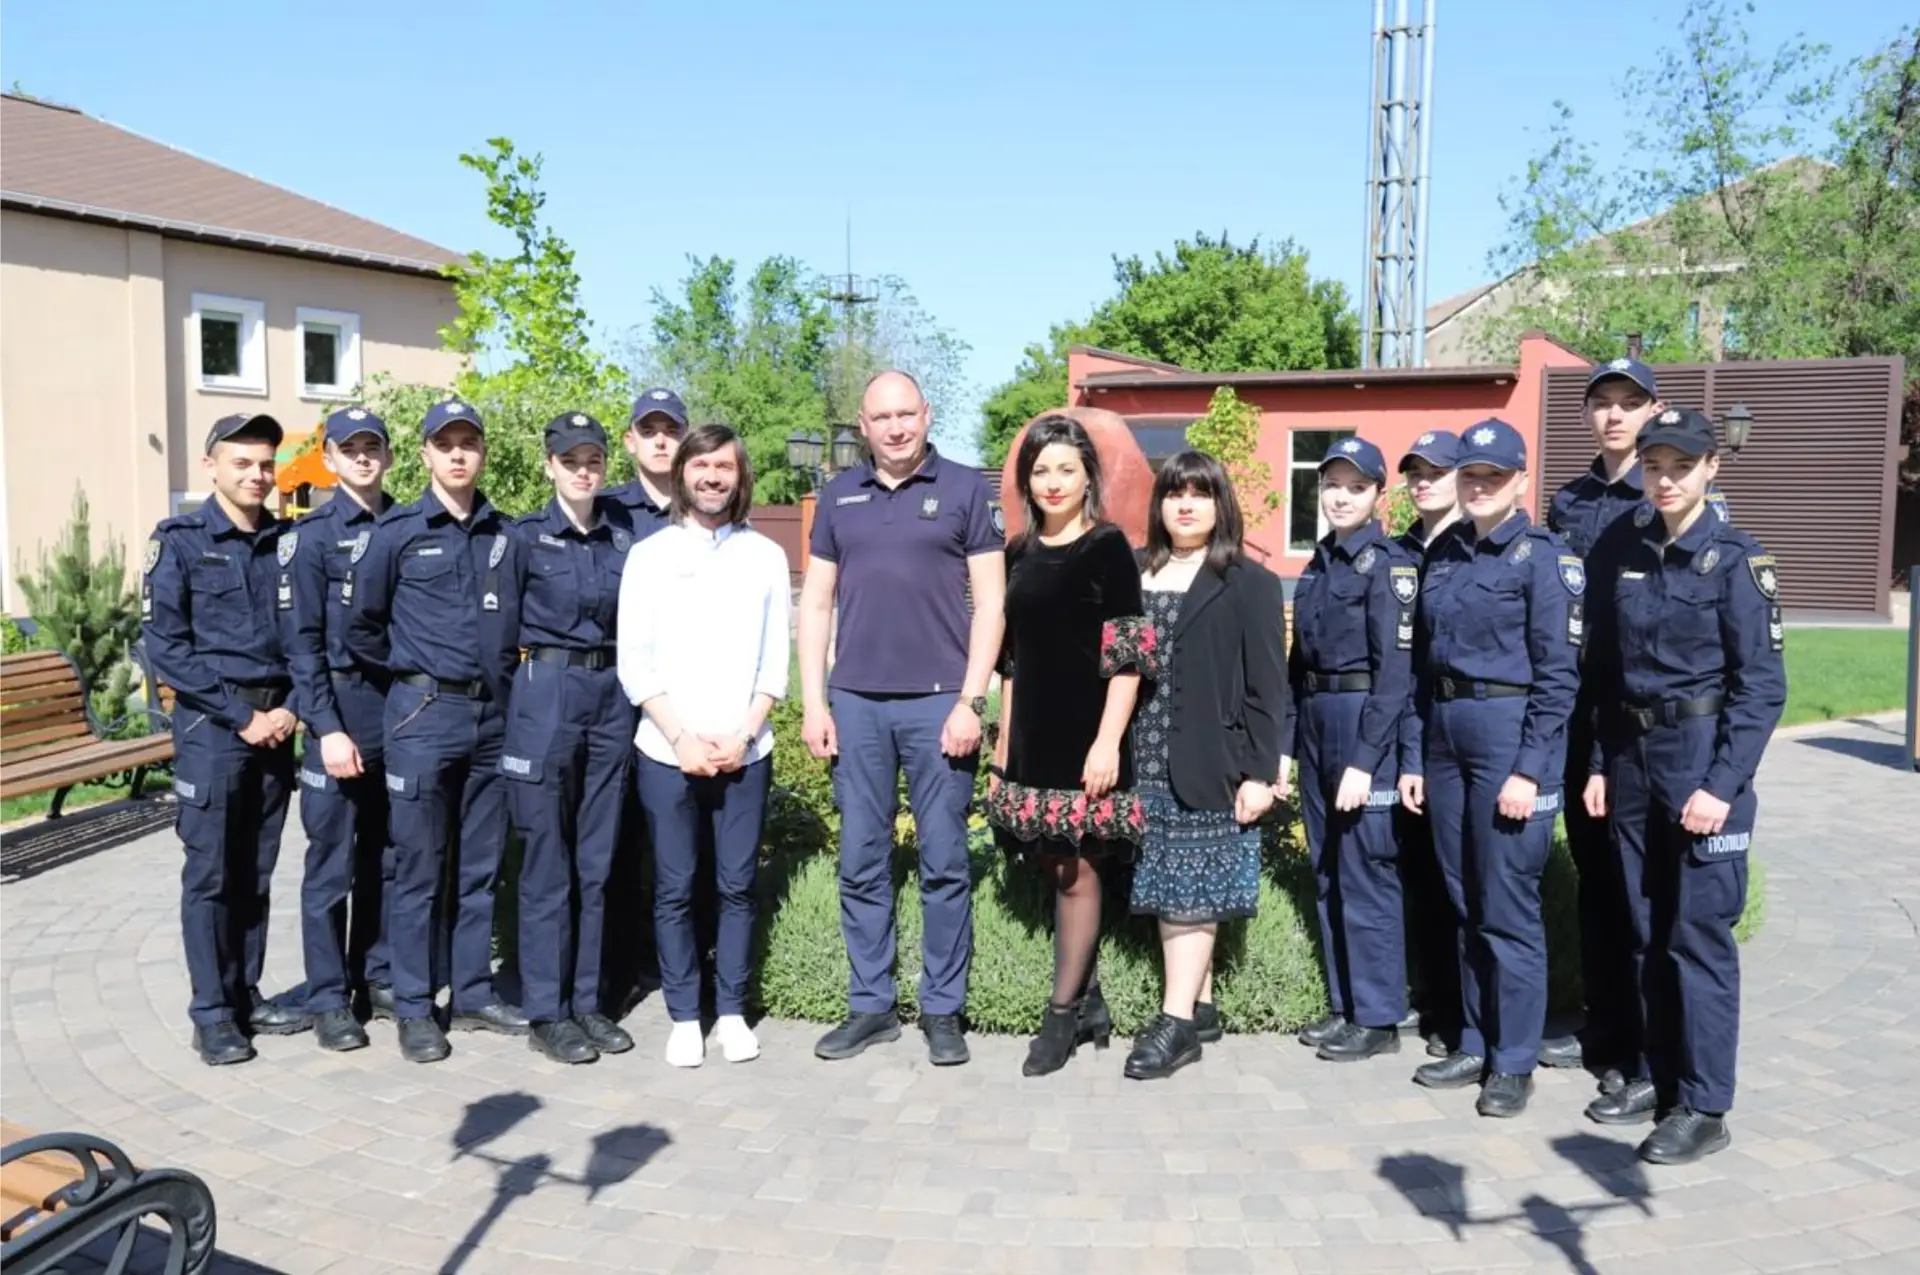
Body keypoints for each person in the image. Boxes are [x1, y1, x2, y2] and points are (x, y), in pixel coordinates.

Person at [1580, 406, 1786, 1164]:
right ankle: (1655, 1074)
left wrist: (1722, 785)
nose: (1665, 479)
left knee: (1696, 936)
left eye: (1680, 466)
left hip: (1701, 759)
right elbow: (1608, 672)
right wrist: (1600, 762)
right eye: (1654, 466)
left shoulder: (1736, 560)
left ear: (1711, 469)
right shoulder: (1628, 552)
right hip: (1633, 758)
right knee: (1643, 927)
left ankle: (1703, 1105)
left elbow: (1762, 689)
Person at [799, 369, 1006, 1067]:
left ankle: (942, 1009)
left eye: (906, 414)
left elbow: (992, 603)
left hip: (939, 704)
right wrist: (815, 701)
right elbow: (816, 603)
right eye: (882, 417)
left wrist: (971, 700)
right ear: (863, 425)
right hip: (856, 702)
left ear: (927, 414)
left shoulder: (965, 490)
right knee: (862, 859)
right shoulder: (838, 495)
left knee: (944, 861)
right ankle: (871, 1006)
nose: (895, 427)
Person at [1398, 418, 1580, 1118]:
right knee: (1464, 898)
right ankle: (1474, 1040)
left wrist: (1530, 770)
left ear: (1521, 481)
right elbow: (1423, 668)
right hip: (1447, 736)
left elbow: (1558, 678)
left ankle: (1514, 1057)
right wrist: (1415, 755)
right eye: (1469, 475)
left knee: (1506, 905)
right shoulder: (1444, 555)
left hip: (1508, 736)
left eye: (1493, 476)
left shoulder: (1543, 559)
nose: (1479, 487)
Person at [347, 399, 528, 1064]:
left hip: (492, 720)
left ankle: (473, 992)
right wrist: (411, 671)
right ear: (423, 453)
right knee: (418, 869)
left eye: (468, 443)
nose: (457, 454)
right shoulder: (395, 533)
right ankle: (415, 1006)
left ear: (482, 453)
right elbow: (361, 627)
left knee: (480, 868)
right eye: (444, 444)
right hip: (423, 717)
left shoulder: (505, 536)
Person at [620, 424, 791, 1067]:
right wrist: (681, 737)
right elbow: (635, 661)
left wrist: (744, 734)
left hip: (746, 751)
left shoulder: (764, 556)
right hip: (668, 751)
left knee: (737, 886)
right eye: (701, 465)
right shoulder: (650, 555)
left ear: (740, 477)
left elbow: (775, 662)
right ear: (682, 475)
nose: (712, 476)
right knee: (674, 887)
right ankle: (685, 1016)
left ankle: (733, 1013)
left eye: (724, 466)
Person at [984, 415, 1149, 1077]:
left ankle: (1060, 1016)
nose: (1052, 482)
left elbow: (1130, 657)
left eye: (1065, 470)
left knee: (1079, 869)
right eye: (1041, 470)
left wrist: (1108, 742)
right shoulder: (1017, 553)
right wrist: (1003, 748)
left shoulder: (1108, 548)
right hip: (1033, 737)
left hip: (1089, 737)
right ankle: (1090, 999)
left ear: (1088, 478)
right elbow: (1011, 662)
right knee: (1052, 865)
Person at [1123, 450, 1287, 1080]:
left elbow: (1267, 688)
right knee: (1168, 884)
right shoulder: (1134, 573)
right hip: (1140, 756)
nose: (1186, 505)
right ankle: (1203, 1004)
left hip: (1209, 760)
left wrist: (1260, 773)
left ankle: (1176, 1025)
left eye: (1200, 493)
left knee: (1189, 893)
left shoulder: (1249, 582)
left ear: (1221, 504)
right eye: (1175, 493)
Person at [142, 412, 300, 1065]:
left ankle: (245, 993)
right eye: (242, 463)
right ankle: (211, 1012)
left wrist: (291, 708)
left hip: (276, 728)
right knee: (211, 874)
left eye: (265, 464)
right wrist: (242, 716)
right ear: (211, 466)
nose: (257, 475)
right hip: (215, 730)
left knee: (256, 870)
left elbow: (309, 636)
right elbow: (167, 648)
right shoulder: (180, 541)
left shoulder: (287, 543)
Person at [1544, 356, 1669, 1081]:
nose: (1615, 414)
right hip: (1575, 703)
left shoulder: (1662, 497)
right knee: (1594, 871)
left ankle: (1641, 1038)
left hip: (1634, 710)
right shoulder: (1569, 500)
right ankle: (1602, 1021)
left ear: (1653, 409)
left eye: (1629, 401)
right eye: (1603, 402)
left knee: (1636, 879)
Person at [505, 413, 639, 1065]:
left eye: (593, 460)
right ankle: (547, 1011)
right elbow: (496, 636)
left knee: (596, 860)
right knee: (546, 861)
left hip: (610, 694)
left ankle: (587, 1002)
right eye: (571, 460)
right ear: (549, 465)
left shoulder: (624, 537)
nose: (583, 471)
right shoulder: (524, 537)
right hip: (546, 691)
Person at [1285, 437, 1415, 1064]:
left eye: (1356, 487)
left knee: (1366, 871)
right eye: (1332, 484)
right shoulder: (1319, 563)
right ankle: (1345, 1005)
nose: (1341, 496)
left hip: (1362, 720)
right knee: (1328, 869)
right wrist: (1285, 747)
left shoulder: (1388, 565)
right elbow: (1297, 664)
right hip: (1316, 718)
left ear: (1378, 495)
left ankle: (1379, 1015)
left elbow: (1395, 675)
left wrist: (1366, 760)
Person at [278, 407, 399, 1052]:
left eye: (372, 447)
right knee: (331, 865)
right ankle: (328, 997)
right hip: (339, 709)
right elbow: (301, 645)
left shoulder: (406, 524)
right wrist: (325, 726)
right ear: (329, 458)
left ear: (388, 456)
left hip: (398, 712)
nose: (362, 458)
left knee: (387, 857)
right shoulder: (312, 537)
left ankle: (373, 977)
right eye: (350, 449)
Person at [601, 387, 684, 1017]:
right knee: (621, 837)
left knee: (686, 843)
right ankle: (623, 969)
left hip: (688, 702)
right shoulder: (605, 512)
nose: (660, 440)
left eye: (670, 430)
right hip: (616, 701)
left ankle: (686, 961)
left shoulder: (705, 508)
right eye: (648, 430)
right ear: (629, 441)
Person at [1393, 431, 1463, 1060]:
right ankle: (1431, 995)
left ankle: (1460, 1011)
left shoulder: (1470, 549)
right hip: (1405, 733)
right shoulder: (1400, 551)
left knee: (1457, 882)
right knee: (1417, 873)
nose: (1423, 482)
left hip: (1457, 737)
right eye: (1416, 473)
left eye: (1436, 472)